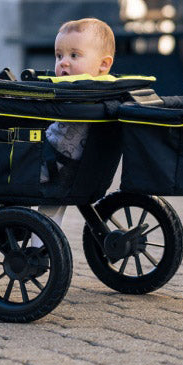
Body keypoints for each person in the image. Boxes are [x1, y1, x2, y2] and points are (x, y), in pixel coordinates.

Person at [37, 18, 116, 228]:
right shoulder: (108, 90)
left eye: (74, 55)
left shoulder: (77, 93)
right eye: (59, 55)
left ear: (103, 64)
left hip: (51, 166)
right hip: (79, 167)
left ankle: (38, 250)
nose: (63, 62)